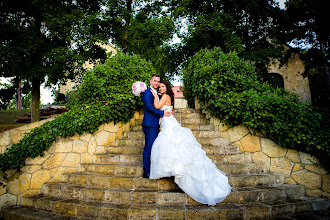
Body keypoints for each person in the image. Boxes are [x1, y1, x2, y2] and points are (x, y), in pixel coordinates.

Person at [149, 80, 231, 206]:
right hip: (168, 122)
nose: (160, 89)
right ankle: (174, 168)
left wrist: (155, 96)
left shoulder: (164, 97)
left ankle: (176, 169)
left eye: (162, 87)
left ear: (167, 88)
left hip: (168, 123)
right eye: (159, 87)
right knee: (169, 144)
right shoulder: (168, 97)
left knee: (168, 144)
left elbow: (157, 107)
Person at [142, 74, 171, 178]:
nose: (156, 83)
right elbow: (149, 107)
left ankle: (154, 168)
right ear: (150, 81)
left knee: (155, 147)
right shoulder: (147, 93)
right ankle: (146, 171)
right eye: (154, 81)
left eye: (158, 81)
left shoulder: (157, 94)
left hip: (156, 124)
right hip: (150, 125)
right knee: (149, 147)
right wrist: (162, 114)